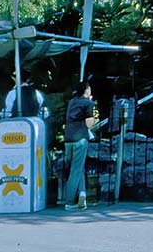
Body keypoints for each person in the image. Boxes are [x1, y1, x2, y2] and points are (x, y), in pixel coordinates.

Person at [63, 79, 96, 210]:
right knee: (75, 171)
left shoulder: (72, 102)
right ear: (87, 89)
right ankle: (70, 202)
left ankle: (82, 194)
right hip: (80, 139)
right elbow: (89, 124)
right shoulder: (88, 103)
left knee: (78, 167)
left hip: (68, 139)